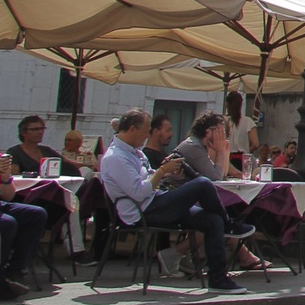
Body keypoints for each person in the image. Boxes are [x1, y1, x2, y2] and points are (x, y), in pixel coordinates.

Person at [100, 108, 253, 294]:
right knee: (203, 184)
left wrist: (168, 173)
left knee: (213, 220)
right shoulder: (116, 157)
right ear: (132, 129)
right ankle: (229, 225)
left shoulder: (134, 153)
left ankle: (218, 279)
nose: (148, 135)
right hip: (144, 211)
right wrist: (162, 171)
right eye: (146, 130)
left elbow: (149, 179)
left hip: (156, 201)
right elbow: (138, 192)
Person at [170, 112, 266, 271]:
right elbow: (215, 177)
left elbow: (218, 174)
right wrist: (222, 150)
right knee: (216, 219)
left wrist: (224, 149)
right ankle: (176, 253)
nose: (224, 136)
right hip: (177, 203)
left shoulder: (198, 145)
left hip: (188, 199)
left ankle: (238, 249)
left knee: (219, 216)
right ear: (209, 132)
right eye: (221, 132)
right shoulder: (193, 146)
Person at [0, 114, 48, 301]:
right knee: (6, 224)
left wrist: (5, 178)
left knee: (36, 214)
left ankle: (15, 270)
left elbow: (8, 196)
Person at [225, 90, 258, 167]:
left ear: (227, 104)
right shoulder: (248, 121)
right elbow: (255, 144)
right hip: (243, 159)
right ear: (241, 105)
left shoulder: (223, 121)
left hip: (227, 159)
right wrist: (247, 150)